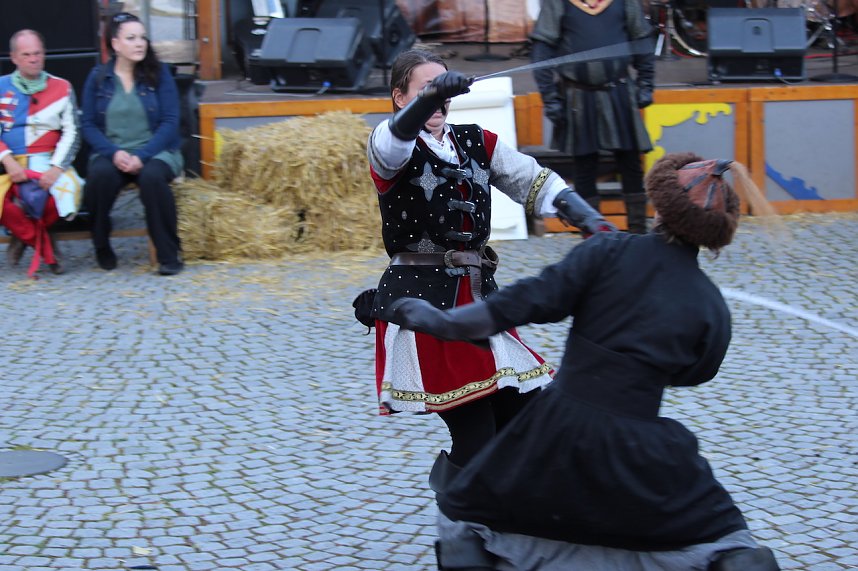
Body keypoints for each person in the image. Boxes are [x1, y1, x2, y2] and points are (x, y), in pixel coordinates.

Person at [386, 153, 782, 571]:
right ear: (715, 233)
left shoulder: (607, 252)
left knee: (463, 521)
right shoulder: (710, 308)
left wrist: (433, 317)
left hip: (554, 433)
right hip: (642, 449)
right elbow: (694, 372)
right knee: (732, 546)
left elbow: (512, 307)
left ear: (660, 205)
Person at [362, 48, 617, 489]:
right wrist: (428, 99)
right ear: (400, 97)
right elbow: (392, 140)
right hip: (427, 308)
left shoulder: (476, 141)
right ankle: (460, 521)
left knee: (527, 413)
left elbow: (534, 180)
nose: (437, 101)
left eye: (441, 90)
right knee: (476, 432)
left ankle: (507, 511)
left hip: (480, 300)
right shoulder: (390, 147)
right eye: (424, 91)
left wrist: (585, 216)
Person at [531, 0, 656, 234]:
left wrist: (646, 82)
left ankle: (638, 233)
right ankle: (593, 235)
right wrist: (550, 98)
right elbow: (542, 49)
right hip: (579, 96)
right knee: (585, 165)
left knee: (630, 164)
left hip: (619, 91)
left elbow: (641, 39)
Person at [80, 12, 184, 275]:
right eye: (131, 38)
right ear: (115, 44)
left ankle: (169, 254)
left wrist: (143, 155)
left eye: (142, 37)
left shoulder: (158, 74)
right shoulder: (98, 78)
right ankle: (101, 242)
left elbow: (171, 121)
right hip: (113, 152)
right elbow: (88, 124)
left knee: (152, 178)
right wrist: (114, 154)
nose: (140, 43)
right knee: (100, 176)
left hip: (157, 151)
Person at [1, 29, 82, 276]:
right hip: (8, 162)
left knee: (70, 190)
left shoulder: (63, 87)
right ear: (14, 57)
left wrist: (56, 168)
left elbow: (73, 132)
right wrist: (7, 160)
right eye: (26, 54)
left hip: (49, 160)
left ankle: (22, 236)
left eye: (38, 53)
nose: (34, 59)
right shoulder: (0, 87)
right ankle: (41, 244)